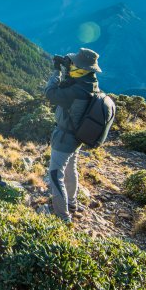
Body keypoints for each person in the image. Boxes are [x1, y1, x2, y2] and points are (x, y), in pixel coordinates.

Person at [44, 48, 101, 223]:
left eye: (75, 63)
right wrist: (68, 69)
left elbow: (50, 93)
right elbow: (72, 84)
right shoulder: (90, 83)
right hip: (77, 137)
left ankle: (63, 217)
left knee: (55, 174)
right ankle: (72, 203)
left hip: (65, 138)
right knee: (70, 169)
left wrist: (57, 71)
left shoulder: (77, 92)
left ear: (82, 68)